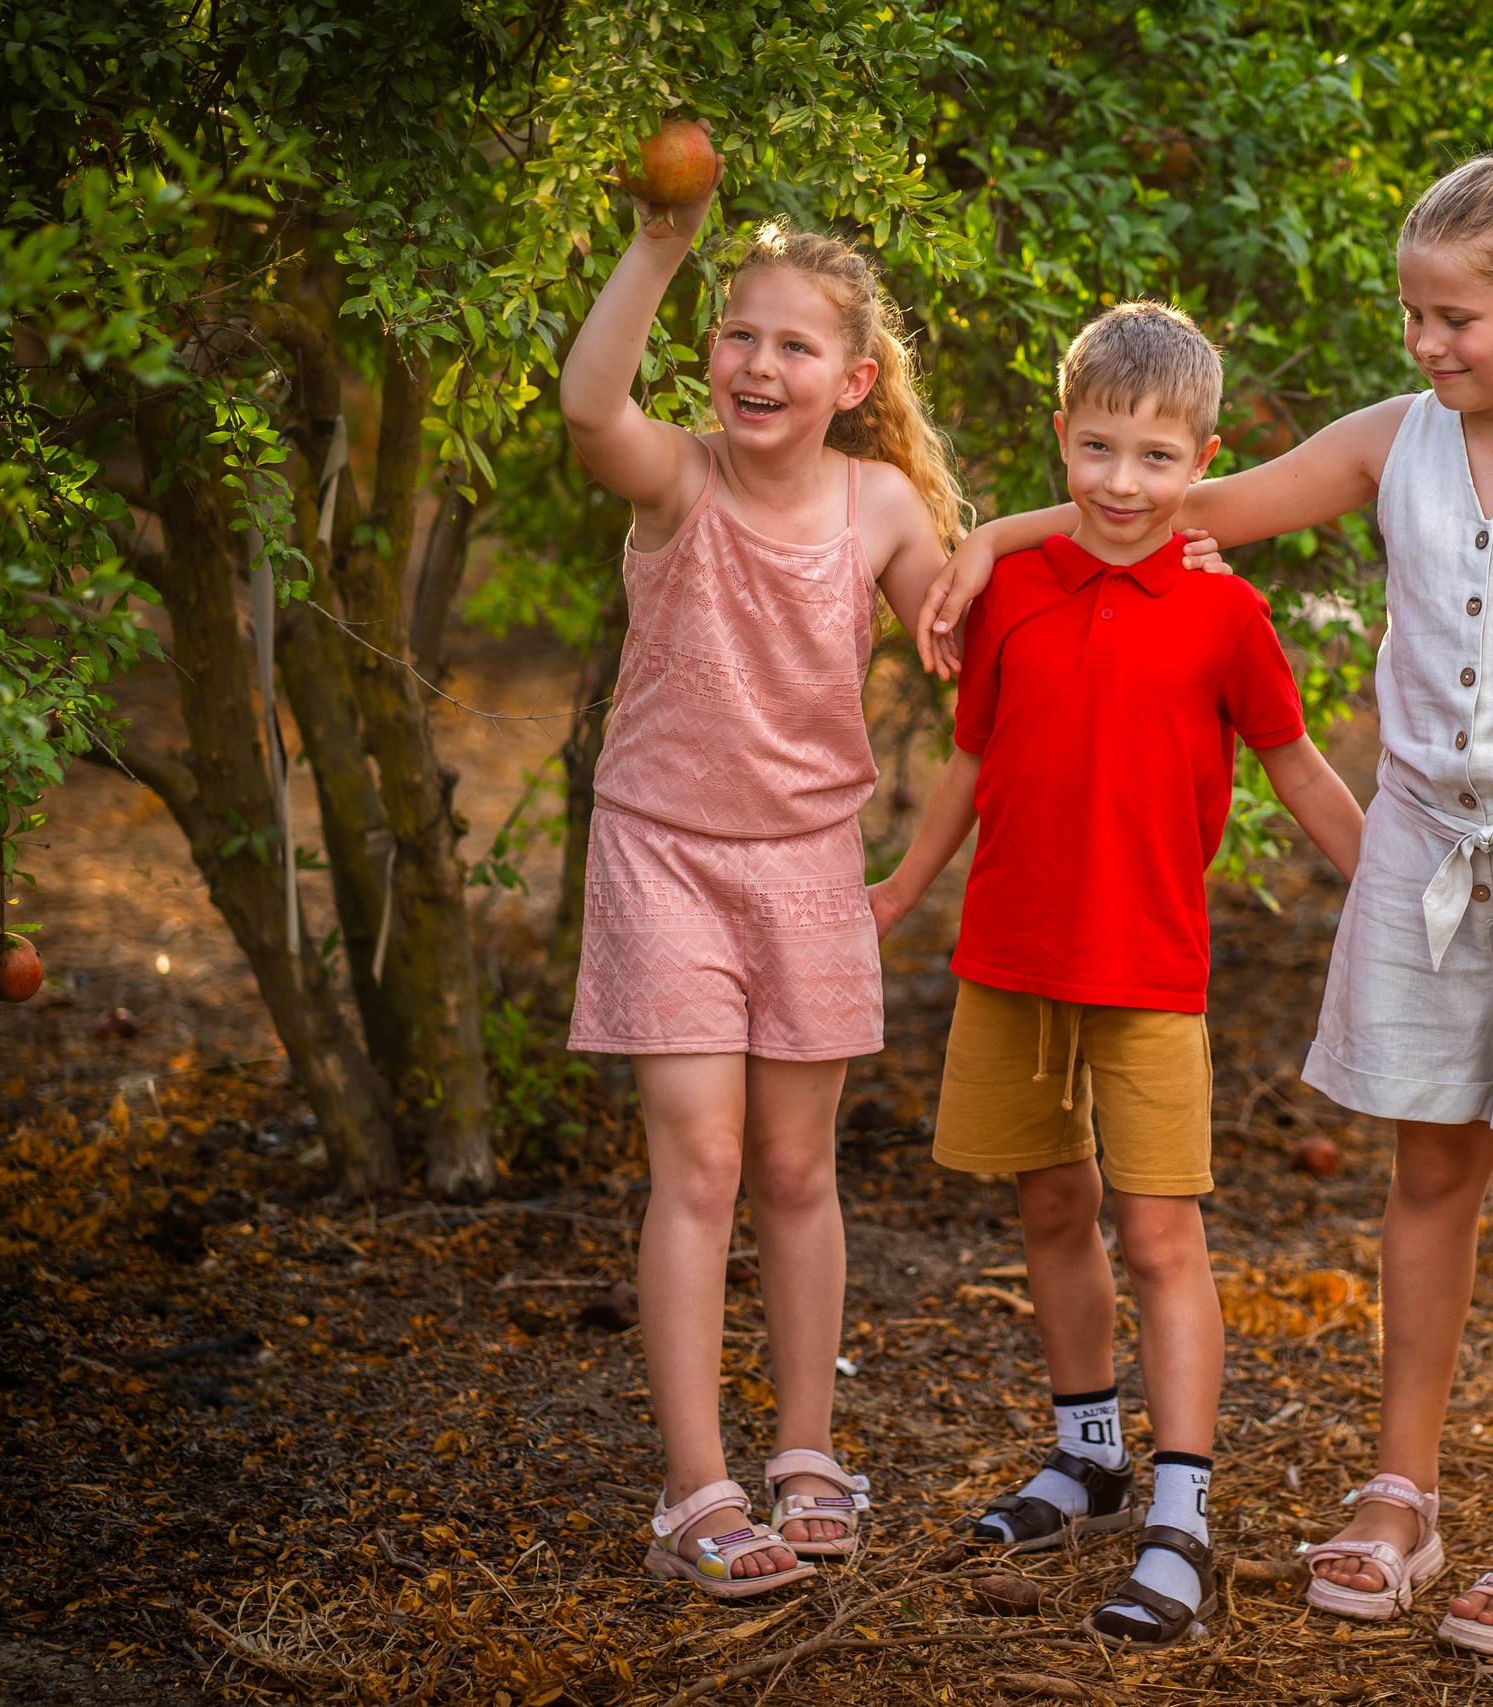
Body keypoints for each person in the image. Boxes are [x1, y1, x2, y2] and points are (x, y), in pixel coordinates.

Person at [916, 156, 1493, 1659]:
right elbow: (1166, 497)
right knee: (1428, 1172)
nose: (1426, 344)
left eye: (1457, 319)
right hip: (1428, 845)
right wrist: (991, 538)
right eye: (1413, 313)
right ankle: (1400, 1493)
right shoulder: (1397, 440)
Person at [872, 301, 1365, 1649]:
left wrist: (1383, 880)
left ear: (1201, 459)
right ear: (1061, 440)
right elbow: (972, 762)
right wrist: (906, 888)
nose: (1124, 484)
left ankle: (1181, 1516)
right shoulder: (1013, 593)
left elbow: (1297, 765)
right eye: (1099, 451)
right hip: (1014, 956)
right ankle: (1087, 1456)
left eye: (1158, 458)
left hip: (1150, 970)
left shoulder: (1225, 613)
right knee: (1049, 1209)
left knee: (1160, 1236)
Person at [560, 145, 964, 1598]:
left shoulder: (884, 510)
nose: (758, 362)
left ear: (853, 380)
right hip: (665, 855)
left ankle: (807, 1453)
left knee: (797, 1168)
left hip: (807, 866)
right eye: (739, 335)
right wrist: (664, 242)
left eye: (795, 345)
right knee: (706, 1162)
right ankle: (695, 1486)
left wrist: (1009, 612)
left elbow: (963, 634)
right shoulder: (677, 479)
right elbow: (588, 404)